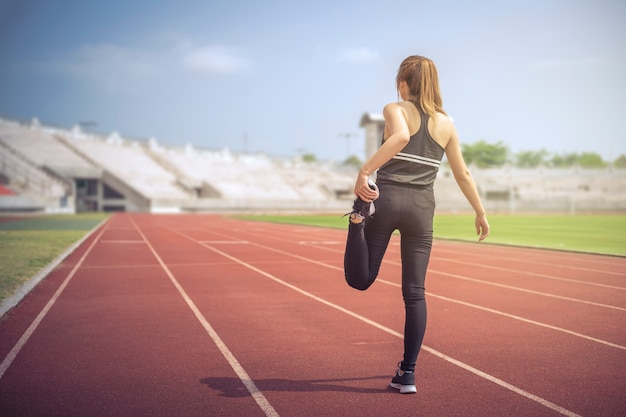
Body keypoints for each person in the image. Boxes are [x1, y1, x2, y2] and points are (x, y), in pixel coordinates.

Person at [343, 55, 490, 394]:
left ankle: (355, 219)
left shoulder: (395, 109)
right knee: (414, 293)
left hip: (389, 201)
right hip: (422, 210)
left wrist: (365, 172)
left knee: (361, 279)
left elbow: (401, 139)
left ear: (403, 82)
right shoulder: (446, 123)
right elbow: (462, 173)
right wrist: (480, 211)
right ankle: (407, 374)